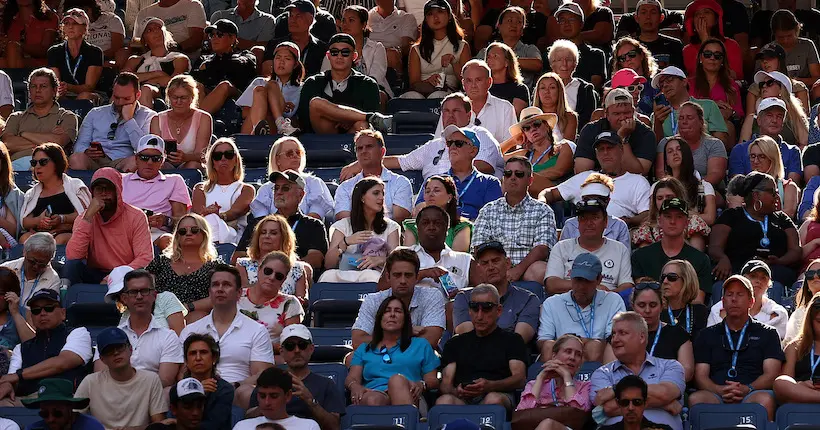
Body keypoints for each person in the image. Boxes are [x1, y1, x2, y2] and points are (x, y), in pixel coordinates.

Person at [340, 93, 504, 181]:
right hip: (431, 201)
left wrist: (443, 181)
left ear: (468, 115)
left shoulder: (480, 135)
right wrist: (359, 164)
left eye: (456, 111)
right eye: (446, 111)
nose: (450, 115)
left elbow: (485, 166)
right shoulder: (434, 145)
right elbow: (401, 161)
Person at [689, 275, 785, 421]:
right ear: (722, 302)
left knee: (764, 400)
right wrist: (719, 390)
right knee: (696, 399)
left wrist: (747, 388)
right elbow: (701, 375)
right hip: (716, 393)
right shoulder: (706, 334)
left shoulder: (768, 333)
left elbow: (771, 374)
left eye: (740, 294)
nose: (734, 299)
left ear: (751, 301)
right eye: (729, 294)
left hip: (753, 392)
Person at [437, 284, 529, 412]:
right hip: (463, 398)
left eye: (486, 308)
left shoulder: (512, 340)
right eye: (475, 308)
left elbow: (519, 378)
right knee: (444, 401)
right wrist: (456, 391)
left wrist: (490, 386)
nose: (479, 316)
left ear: (499, 311)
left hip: (498, 393)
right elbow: (446, 383)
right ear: (469, 310)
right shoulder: (455, 343)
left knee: (493, 399)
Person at [179, 264, 275, 387]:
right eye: (215, 285)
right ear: (209, 292)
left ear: (239, 292)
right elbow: (182, 373)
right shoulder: (191, 330)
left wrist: (228, 388)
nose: (220, 289)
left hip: (238, 392)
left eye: (226, 285)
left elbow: (261, 375)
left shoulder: (257, 331)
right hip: (198, 394)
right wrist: (198, 387)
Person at [590, 311, 686, 430]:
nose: (614, 339)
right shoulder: (602, 373)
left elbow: (665, 393)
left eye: (622, 333)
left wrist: (617, 392)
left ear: (641, 337)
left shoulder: (670, 366)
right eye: (613, 334)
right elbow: (608, 408)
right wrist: (663, 403)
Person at [0, 290, 93, 406]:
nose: (42, 313)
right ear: (32, 317)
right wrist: (7, 384)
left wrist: (19, 375)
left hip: (67, 398)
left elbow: (62, 363)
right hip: (30, 400)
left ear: (63, 313)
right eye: (36, 310)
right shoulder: (21, 348)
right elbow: (11, 379)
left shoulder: (78, 333)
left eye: (49, 308)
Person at [92, 269, 183, 387]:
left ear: (154, 295)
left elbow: (165, 381)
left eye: (144, 291)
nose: (139, 296)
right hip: (115, 396)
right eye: (133, 292)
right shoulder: (109, 337)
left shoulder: (168, 337)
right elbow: (100, 377)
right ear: (124, 298)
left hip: (150, 397)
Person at [709, 171, 801, 287]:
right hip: (737, 269)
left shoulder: (781, 218)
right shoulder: (731, 216)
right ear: (756, 195)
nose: (777, 197)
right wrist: (723, 258)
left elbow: (796, 250)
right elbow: (715, 247)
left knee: (783, 277)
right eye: (772, 192)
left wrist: (780, 261)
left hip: (774, 270)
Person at [471, 157, 555, 282]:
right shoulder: (488, 210)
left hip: (527, 271)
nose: (513, 177)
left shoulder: (543, 210)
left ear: (530, 180)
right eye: (508, 174)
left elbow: (542, 248)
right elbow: (478, 247)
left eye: (519, 174)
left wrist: (518, 270)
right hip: (493, 269)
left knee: (540, 269)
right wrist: (499, 270)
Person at [64, 167, 153, 285]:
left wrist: (115, 277)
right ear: (92, 192)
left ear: (118, 191)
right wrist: (88, 218)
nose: (103, 194)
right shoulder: (85, 218)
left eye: (108, 189)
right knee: (71, 266)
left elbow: (145, 258)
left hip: (127, 274)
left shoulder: (136, 216)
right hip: (95, 273)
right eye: (99, 189)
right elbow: (73, 256)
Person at [347, 295, 440, 406]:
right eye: (387, 311)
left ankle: (407, 421)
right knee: (373, 399)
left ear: (405, 319)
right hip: (375, 394)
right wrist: (354, 386)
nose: (392, 315)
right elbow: (352, 377)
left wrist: (421, 384)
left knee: (397, 381)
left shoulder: (421, 344)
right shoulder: (364, 348)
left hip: (411, 394)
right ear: (380, 318)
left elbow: (433, 380)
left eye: (398, 311)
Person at [544, 132, 651, 228]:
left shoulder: (637, 181)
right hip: (584, 230)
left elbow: (647, 213)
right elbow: (551, 193)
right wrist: (541, 202)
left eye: (610, 148)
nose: (605, 153)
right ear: (596, 154)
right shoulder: (584, 177)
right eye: (601, 149)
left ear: (621, 150)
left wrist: (629, 221)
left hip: (619, 231)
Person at [249, 325, 343, 429]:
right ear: (281, 352)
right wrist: (266, 406)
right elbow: (248, 418)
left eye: (302, 345)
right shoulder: (269, 380)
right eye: (290, 346)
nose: (297, 350)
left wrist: (310, 401)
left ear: (311, 349)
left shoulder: (326, 384)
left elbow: (334, 426)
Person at [297, 33, 391, 134]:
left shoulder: (368, 84)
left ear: (354, 56)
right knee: (316, 103)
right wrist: (342, 118)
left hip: (354, 134)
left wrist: (339, 117)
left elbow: (371, 123)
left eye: (345, 52)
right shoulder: (312, 82)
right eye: (334, 52)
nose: (339, 56)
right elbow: (305, 118)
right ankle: (369, 117)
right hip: (321, 134)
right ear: (328, 56)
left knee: (363, 125)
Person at [539, 253, 627, 362]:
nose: (581, 286)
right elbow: (543, 340)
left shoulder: (613, 300)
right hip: (562, 358)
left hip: (598, 359)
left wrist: (576, 341)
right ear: (570, 276)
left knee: (595, 347)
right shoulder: (552, 303)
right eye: (578, 280)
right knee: (548, 346)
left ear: (599, 279)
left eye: (587, 281)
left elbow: (614, 339)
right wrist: (573, 345)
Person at [237, 168, 329, 271]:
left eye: (285, 188)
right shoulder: (258, 223)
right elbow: (238, 257)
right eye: (276, 188)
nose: (279, 192)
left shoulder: (313, 225)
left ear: (300, 195)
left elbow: (315, 259)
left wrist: (284, 269)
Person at [353, 247, 446, 349]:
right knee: (351, 357)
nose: (402, 281)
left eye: (408, 275)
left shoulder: (431, 296)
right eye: (397, 275)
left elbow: (430, 340)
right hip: (380, 358)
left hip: (416, 360)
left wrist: (387, 338)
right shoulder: (373, 300)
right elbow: (358, 341)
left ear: (417, 277)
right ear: (388, 277)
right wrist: (404, 332)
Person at [75, 327, 168, 428]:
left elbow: (158, 423)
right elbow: (73, 416)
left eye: (120, 347)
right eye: (109, 351)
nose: (116, 353)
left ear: (131, 349)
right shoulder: (90, 382)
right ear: (102, 359)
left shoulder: (151, 380)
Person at [604, 283, 694, 382]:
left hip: (666, 392)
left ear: (661, 306)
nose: (647, 310)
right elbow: (610, 371)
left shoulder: (678, 334)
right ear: (633, 306)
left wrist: (653, 386)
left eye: (653, 305)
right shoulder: (618, 335)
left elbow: (686, 372)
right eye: (641, 305)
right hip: (625, 392)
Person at [453, 241, 539, 343]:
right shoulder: (464, 298)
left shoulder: (528, 299)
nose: (491, 267)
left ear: (507, 263)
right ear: (478, 269)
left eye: (495, 261)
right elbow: (467, 338)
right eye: (485, 263)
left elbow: (518, 341)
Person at [70, 72, 157, 172]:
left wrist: (129, 120)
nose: (120, 103)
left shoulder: (149, 116)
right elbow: (79, 145)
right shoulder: (95, 113)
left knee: (137, 162)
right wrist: (86, 151)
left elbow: (144, 150)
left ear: (137, 95)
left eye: (126, 99)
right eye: (116, 97)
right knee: (76, 159)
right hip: (96, 161)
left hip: (123, 161)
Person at [545, 201, 633, 295]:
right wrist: (592, 287)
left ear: (606, 222)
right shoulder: (561, 247)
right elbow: (552, 284)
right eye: (583, 218)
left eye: (595, 217)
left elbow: (627, 285)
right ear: (578, 222)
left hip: (607, 303)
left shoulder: (620, 249)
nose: (589, 223)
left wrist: (607, 296)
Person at [415, 125, 501, 220]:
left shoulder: (489, 182)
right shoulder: (434, 180)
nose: (452, 147)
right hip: (440, 229)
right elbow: (419, 211)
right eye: (449, 143)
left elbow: (493, 218)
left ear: (473, 151)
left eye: (458, 143)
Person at [632, 197, 713, 298]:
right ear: (659, 221)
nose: (673, 221)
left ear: (687, 223)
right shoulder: (640, 256)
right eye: (668, 216)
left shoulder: (700, 260)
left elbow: (698, 301)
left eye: (679, 217)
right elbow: (641, 296)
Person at [323, 177, 400, 282]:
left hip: (375, 275)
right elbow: (328, 264)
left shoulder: (391, 227)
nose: (381, 198)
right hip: (346, 274)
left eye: (383, 194)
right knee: (327, 276)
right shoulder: (342, 226)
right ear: (362, 197)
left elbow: (398, 263)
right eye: (376, 193)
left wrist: (381, 260)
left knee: (371, 276)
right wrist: (346, 242)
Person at [146, 214, 221, 322]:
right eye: (182, 231)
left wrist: (187, 307)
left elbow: (218, 296)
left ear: (204, 234)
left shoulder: (215, 266)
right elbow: (146, 289)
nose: (188, 233)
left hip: (197, 318)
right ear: (177, 236)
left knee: (199, 317)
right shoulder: (160, 262)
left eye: (194, 230)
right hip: (161, 317)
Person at [0, 69, 79, 171]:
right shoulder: (16, 117)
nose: (37, 90)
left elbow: (59, 142)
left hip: (51, 166)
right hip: (17, 165)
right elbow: (8, 144)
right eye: (33, 86)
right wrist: (47, 139)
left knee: (38, 165)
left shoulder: (66, 116)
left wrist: (23, 134)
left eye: (43, 86)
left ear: (54, 90)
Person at [122, 134, 192, 249]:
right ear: (136, 159)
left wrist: (165, 220)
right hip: (124, 232)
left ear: (162, 161)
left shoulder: (174, 181)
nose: (149, 162)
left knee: (168, 241)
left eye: (156, 158)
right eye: (144, 157)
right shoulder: (121, 179)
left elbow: (183, 222)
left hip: (156, 234)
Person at [512, 334, 591, 430]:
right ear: (554, 356)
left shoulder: (585, 386)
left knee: (548, 424)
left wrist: (567, 377)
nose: (572, 357)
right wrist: (540, 378)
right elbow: (522, 414)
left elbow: (577, 414)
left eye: (578, 354)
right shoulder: (534, 384)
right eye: (568, 351)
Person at [247, 137, 333, 221]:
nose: (295, 156)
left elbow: (313, 220)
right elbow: (263, 222)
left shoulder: (314, 183)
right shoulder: (265, 189)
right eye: (289, 153)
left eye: (298, 152)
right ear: (278, 160)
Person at [19, 144, 90, 245]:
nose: (38, 166)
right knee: (25, 238)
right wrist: (39, 221)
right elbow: (24, 221)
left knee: (59, 240)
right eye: (34, 163)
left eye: (43, 162)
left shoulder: (75, 185)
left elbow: (84, 215)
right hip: (40, 236)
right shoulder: (32, 193)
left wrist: (62, 219)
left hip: (68, 234)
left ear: (57, 162)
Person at [335, 130, 412, 222]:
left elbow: (399, 218)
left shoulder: (401, 183)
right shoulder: (345, 187)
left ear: (382, 152)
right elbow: (345, 221)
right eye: (359, 148)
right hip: (356, 236)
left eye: (369, 146)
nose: (363, 151)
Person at [575, 89, 656, 176]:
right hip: (597, 182)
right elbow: (582, 171)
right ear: (607, 114)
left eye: (627, 113)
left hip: (631, 185)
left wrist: (622, 138)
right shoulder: (591, 130)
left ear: (633, 112)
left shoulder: (646, 133)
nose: (622, 117)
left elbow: (639, 173)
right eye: (617, 114)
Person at [432, 59, 517, 143]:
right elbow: (438, 144)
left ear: (489, 82)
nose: (473, 85)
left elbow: (511, 145)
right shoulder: (450, 108)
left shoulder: (505, 108)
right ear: (463, 83)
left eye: (478, 80)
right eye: (469, 80)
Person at [402, 0, 470, 100]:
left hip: (448, 92)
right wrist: (428, 81)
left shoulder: (462, 46)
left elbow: (468, 81)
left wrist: (454, 63)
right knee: (410, 97)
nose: (435, 17)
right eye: (430, 14)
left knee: (437, 96)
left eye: (440, 12)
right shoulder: (416, 49)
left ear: (449, 16)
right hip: (422, 92)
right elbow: (413, 83)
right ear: (425, 19)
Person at [236, 215, 311, 305]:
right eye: (263, 232)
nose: (266, 236)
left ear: (284, 238)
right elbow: (244, 296)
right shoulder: (242, 264)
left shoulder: (298, 269)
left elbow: (301, 301)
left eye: (273, 233)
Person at [321, 5, 391, 102]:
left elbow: (376, 78)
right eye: (343, 20)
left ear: (363, 24)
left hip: (371, 89)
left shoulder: (376, 48)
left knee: (379, 95)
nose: (345, 24)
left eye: (351, 20)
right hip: (339, 89)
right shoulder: (335, 47)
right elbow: (325, 74)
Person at [192, 138, 255, 245]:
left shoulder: (246, 189)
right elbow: (198, 216)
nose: (223, 159)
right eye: (217, 156)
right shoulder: (200, 188)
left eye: (229, 155)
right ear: (212, 161)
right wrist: (211, 215)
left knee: (212, 219)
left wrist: (218, 216)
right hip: (205, 232)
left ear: (236, 159)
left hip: (233, 233)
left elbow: (235, 212)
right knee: (209, 220)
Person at [238, 251, 304, 351]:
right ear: (259, 270)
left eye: (279, 276)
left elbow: (291, 344)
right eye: (268, 271)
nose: (272, 277)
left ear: (284, 280)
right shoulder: (235, 296)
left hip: (271, 357)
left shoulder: (290, 303)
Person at [401, 206, 473, 296]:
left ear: (447, 229)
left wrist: (460, 296)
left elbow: (480, 291)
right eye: (425, 223)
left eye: (437, 223)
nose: (431, 227)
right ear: (417, 228)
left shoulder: (465, 260)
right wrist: (423, 274)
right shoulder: (402, 255)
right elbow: (384, 287)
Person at [707, 260, 789, 339]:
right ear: (741, 280)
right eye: (753, 276)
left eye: (763, 278)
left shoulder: (779, 314)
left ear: (769, 284)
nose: (758, 281)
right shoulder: (717, 311)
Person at [191, 20, 258, 115]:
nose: (214, 38)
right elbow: (192, 79)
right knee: (196, 86)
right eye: (212, 35)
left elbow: (240, 67)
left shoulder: (244, 55)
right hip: (207, 94)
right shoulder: (204, 58)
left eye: (219, 34)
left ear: (232, 38)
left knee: (224, 86)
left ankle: (196, 120)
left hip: (237, 98)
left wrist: (209, 67)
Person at [649, 66, 729, 146]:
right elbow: (657, 148)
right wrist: (657, 124)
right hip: (671, 156)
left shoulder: (708, 105)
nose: (665, 85)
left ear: (684, 81)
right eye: (661, 84)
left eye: (670, 80)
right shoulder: (658, 115)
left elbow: (721, 141)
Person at [502, 107, 573, 196]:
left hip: (557, 195)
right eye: (527, 128)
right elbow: (495, 156)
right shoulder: (525, 154)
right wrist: (513, 141)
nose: (532, 129)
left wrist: (524, 178)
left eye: (537, 124)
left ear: (547, 126)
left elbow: (558, 171)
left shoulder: (564, 146)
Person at [239, 41, 304, 136]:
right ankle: (269, 126)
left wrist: (278, 106)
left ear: (295, 64)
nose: (281, 62)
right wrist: (270, 106)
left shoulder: (301, 88)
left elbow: (297, 118)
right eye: (278, 58)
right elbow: (244, 113)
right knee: (262, 89)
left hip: (277, 131)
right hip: (250, 128)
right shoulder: (259, 82)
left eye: (287, 58)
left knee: (271, 85)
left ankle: (278, 125)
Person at [124, 17, 191, 108]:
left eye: (158, 28)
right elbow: (123, 79)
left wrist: (144, 81)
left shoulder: (178, 59)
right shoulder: (135, 60)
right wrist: (157, 74)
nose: (156, 31)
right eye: (150, 30)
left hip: (166, 98)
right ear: (144, 39)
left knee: (146, 89)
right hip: (132, 94)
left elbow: (176, 84)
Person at [149, 75, 212, 169]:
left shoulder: (204, 118)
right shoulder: (157, 119)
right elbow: (154, 151)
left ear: (192, 98)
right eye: (175, 97)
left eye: (183, 98)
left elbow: (202, 155)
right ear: (169, 98)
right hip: (165, 164)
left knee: (193, 165)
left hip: (192, 165)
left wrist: (185, 157)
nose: (179, 102)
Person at [657, 135, 719, 225]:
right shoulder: (658, 187)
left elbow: (710, 218)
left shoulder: (704, 187)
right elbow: (653, 216)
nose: (675, 153)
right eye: (670, 151)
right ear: (666, 161)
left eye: (679, 149)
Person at [632, 179, 711, 251]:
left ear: (679, 197)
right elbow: (645, 259)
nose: (664, 201)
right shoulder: (647, 228)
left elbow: (697, 255)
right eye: (660, 198)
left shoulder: (694, 222)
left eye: (669, 197)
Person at [688, 38, 743, 141]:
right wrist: (712, 107)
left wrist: (731, 113)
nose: (712, 58)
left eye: (717, 56)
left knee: (726, 126)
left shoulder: (731, 86)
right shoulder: (689, 84)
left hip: (722, 127)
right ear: (701, 58)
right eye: (708, 54)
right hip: (695, 125)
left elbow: (739, 113)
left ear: (722, 61)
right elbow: (684, 107)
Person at [104, 266, 185, 334]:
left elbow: (180, 338)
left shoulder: (166, 298)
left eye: (131, 291)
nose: (122, 297)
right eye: (117, 295)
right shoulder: (125, 317)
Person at [558, 175, 631, 250]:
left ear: (607, 201)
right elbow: (563, 254)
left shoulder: (619, 226)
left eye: (598, 199)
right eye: (588, 199)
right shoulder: (571, 225)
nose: (593, 203)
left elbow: (624, 256)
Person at [232, 367, 320, 430]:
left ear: (288, 396)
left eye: (274, 396)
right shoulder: (242, 426)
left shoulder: (309, 426)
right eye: (262, 396)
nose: (267, 402)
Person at [741, 71, 810, 150]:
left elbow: (804, 143)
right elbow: (742, 149)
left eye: (769, 83)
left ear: (781, 89)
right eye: (761, 84)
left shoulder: (795, 115)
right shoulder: (751, 119)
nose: (764, 86)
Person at [47, 9, 104, 104]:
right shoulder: (54, 51)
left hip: (89, 94)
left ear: (85, 28)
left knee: (84, 96)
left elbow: (89, 87)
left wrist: (69, 87)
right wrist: (61, 89)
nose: (70, 27)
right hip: (64, 93)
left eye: (75, 24)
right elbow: (56, 81)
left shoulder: (95, 52)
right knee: (55, 97)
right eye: (67, 23)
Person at [475, 7, 542, 88]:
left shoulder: (529, 49)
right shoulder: (486, 51)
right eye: (510, 20)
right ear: (499, 26)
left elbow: (537, 64)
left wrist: (507, 60)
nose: (514, 25)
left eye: (519, 22)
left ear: (522, 30)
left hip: (519, 94)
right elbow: (473, 68)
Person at [402, 176, 473, 252]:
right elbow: (408, 258)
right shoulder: (413, 227)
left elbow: (458, 259)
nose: (431, 194)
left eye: (436, 191)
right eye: (427, 191)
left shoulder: (462, 227)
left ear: (449, 197)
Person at [262, 0, 329, 78]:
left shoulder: (322, 49)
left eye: (298, 16)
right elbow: (267, 73)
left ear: (310, 20)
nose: (292, 20)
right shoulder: (275, 45)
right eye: (291, 16)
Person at [773, 293, 820, 404]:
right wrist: (801, 385)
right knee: (780, 382)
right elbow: (786, 380)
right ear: (810, 321)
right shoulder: (794, 347)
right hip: (802, 395)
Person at [182, 334, 235, 430]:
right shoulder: (179, 388)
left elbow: (214, 425)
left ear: (214, 358)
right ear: (186, 361)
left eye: (203, 352)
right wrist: (197, 390)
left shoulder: (225, 389)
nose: (198, 358)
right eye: (193, 353)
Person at [548, 3, 606, 89]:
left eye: (571, 19)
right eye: (562, 20)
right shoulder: (550, 53)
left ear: (581, 24)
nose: (566, 24)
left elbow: (595, 86)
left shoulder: (595, 54)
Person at [0, 233, 60, 317]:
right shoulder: (6, 268)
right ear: (24, 252)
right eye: (32, 261)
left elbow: (45, 314)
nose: (36, 266)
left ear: (50, 260)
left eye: (42, 264)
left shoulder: (53, 280)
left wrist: (18, 310)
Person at [681, 0, 743, 79]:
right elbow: (697, 77)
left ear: (716, 19)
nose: (701, 16)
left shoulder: (731, 45)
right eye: (697, 14)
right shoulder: (687, 50)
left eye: (706, 12)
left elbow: (735, 76)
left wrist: (706, 41)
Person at [545, 40, 599, 127]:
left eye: (569, 60)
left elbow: (587, 123)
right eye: (559, 60)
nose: (564, 64)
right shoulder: (542, 87)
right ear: (552, 64)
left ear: (575, 64)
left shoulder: (585, 90)